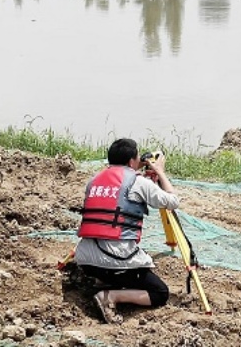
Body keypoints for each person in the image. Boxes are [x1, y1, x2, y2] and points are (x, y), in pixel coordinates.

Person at [74, 138, 179, 324]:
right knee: (159, 292)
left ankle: (103, 281)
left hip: (85, 260)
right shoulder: (137, 182)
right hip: (115, 260)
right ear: (132, 161)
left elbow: (120, 191)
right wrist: (160, 172)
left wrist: (145, 178)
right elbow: (172, 201)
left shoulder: (94, 181)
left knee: (118, 267)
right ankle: (110, 297)